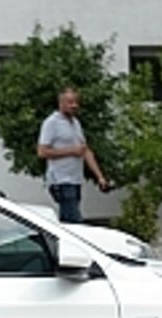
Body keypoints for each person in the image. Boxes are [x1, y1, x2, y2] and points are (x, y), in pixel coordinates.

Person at [36, 87, 108, 223]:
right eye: (70, 102)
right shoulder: (51, 123)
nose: (74, 105)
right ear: (61, 103)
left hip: (75, 179)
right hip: (60, 180)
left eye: (76, 102)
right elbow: (42, 152)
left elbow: (84, 151)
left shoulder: (76, 123)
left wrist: (100, 177)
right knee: (74, 220)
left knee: (68, 221)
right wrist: (71, 151)